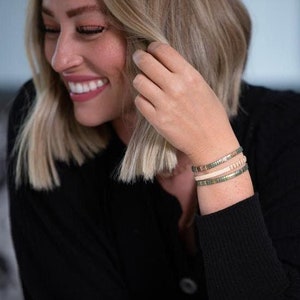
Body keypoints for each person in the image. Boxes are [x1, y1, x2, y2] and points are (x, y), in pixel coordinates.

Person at [6, 0, 300, 299]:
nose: (59, 59)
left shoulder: (288, 131)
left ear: (174, 35)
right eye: (50, 29)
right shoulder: (42, 122)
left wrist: (214, 155)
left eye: (89, 29)